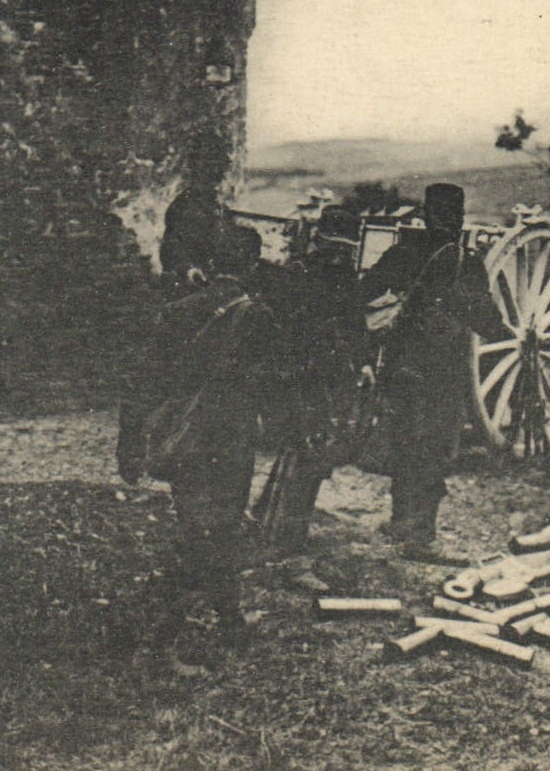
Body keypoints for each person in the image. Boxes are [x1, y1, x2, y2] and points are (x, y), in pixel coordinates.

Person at [116, 223, 288, 664]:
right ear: (251, 265)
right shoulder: (259, 317)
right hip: (229, 440)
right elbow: (273, 388)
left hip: (183, 440)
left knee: (202, 526)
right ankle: (159, 642)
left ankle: (229, 620)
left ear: (210, 264)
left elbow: (140, 382)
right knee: (215, 532)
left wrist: (130, 445)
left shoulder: (176, 312)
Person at [360, 183, 503, 564]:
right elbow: (488, 322)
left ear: (425, 215)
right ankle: (421, 536)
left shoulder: (402, 252)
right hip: (441, 372)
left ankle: (399, 522)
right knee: (434, 450)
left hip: (400, 366)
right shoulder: (465, 262)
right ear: (458, 219)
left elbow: (364, 292)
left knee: (404, 439)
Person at [257, 206, 367, 585]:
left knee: (305, 458)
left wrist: (361, 360)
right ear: (321, 243)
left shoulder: (336, 277)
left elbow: (355, 324)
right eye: (335, 248)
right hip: (301, 381)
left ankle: (270, 528)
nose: (341, 256)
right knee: (306, 459)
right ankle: (287, 553)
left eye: (346, 250)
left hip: (323, 384)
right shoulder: (302, 278)